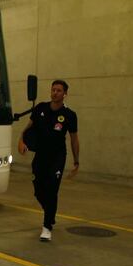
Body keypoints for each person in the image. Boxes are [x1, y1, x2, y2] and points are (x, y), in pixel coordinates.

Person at [17, 80, 79, 242]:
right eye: (53, 90)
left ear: (65, 94)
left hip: (57, 157)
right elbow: (28, 128)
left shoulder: (69, 115)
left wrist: (76, 161)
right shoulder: (40, 109)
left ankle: (46, 227)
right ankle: (50, 213)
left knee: (52, 190)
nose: (55, 93)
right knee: (38, 190)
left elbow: (74, 139)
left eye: (59, 90)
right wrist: (21, 141)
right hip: (41, 156)